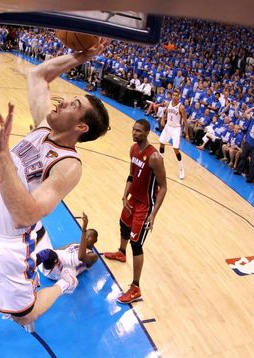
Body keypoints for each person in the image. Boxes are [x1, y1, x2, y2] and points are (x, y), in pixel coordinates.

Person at [0, 42, 111, 327]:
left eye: (74, 105)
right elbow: (37, 76)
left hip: (8, 244)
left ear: (81, 127)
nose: (63, 100)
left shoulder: (68, 166)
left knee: (26, 317)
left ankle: (65, 282)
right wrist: (81, 56)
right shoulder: (43, 125)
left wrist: (3, 155)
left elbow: (27, 215)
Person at [104, 119, 168, 303]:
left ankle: (135, 287)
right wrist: (125, 195)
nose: (134, 133)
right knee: (123, 224)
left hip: (145, 205)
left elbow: (163, 187)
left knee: (136, 244)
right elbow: (131, 174)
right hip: (132, 199)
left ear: (147, 133)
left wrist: (154, 215)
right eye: (133, 130)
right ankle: (121, 253)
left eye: (139, 131)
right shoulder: (133, 149)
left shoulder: (155, 157)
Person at [36, 213, 99, 280]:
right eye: (86, 235)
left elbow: (81, 257)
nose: (86, 237)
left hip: (59, 271)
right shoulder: (75, 244)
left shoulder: (93, 256)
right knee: (39, 228)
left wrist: (83, 231)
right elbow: (58, 250)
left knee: (48, 253)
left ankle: (29, 266)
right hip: (49, 261)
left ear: (95, 240)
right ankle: (37, 259)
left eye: (89, 236)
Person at [158, 89, 190, 179]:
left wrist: (187, 134)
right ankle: (160, 163)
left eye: (176, 95)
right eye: (173, 95)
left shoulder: (181, 107)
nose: (174, 97)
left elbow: (185, 122)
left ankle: (181, 169)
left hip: (176, 128)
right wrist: (162, 118)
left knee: (176, 149)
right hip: (168, 126)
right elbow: (166, 111)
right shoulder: (168, 104)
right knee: (161, 143)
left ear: (179, 97)